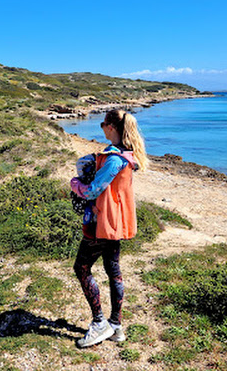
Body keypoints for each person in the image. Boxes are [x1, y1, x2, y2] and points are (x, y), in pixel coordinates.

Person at [70, 109, 148, 348]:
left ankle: (100, 323)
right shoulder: (128, 154)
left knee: (81, 268)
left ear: (112, 128)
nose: (101, 127)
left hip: (101, 222)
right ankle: (116, 326)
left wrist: (74, 185)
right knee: (113, 270)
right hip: (116, 221)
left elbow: (94, 189)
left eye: (103, 123)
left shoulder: (114, 159)